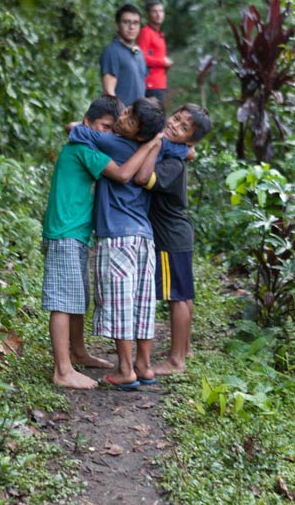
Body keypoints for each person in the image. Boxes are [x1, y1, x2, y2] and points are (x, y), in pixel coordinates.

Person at [42, 96, 163, 390]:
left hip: (77, 232)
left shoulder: (89, 146)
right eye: (104, 128)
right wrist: (149, 145)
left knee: (77, 297)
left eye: (112, 128)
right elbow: (122, 175)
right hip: (65, 231)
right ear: (89, 124)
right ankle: (62, 370)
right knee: (63, 299)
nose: (108, 134)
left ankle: (79, 352)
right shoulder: (84, 148)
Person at [68, 98, 189, 390]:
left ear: (139, 133)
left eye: (130, 120)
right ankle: (144, 365)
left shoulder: (111, 143)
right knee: (142, 302)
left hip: (117, 235)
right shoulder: (155, 149)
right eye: (125, 113)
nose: (122, 118)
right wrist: (153, 145)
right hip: (145, 236)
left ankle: (125, 369)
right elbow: (186, 150)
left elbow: (74, 129)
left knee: (120, 302)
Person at [135, 103, 212, 375]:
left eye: (182, 127)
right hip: (178, 233)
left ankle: (176, 360)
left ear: (189, 140)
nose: (174, 125)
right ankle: (185, 348)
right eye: (176, 118)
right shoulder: (176, 152)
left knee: (177, 297)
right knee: (183, 295)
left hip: (169, 235)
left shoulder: (172, 163)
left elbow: (144, 178)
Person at [100, 3, 147, 105]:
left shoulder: (139, 52)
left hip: (137, 116)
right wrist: (123, 116)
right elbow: (109, 92)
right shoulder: (112, 51)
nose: (131, 27)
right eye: (126, 22)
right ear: (117, 25)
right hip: (121, 117)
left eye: (136, 23)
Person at [138, 0, 173, 103]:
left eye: (161, 11)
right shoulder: (146, 32)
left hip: (160, 82)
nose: (159, 14)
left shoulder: (159, 34)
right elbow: (142, 57)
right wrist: (163, 62)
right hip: (151, 84)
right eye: (155, 11)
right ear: (148, 14)